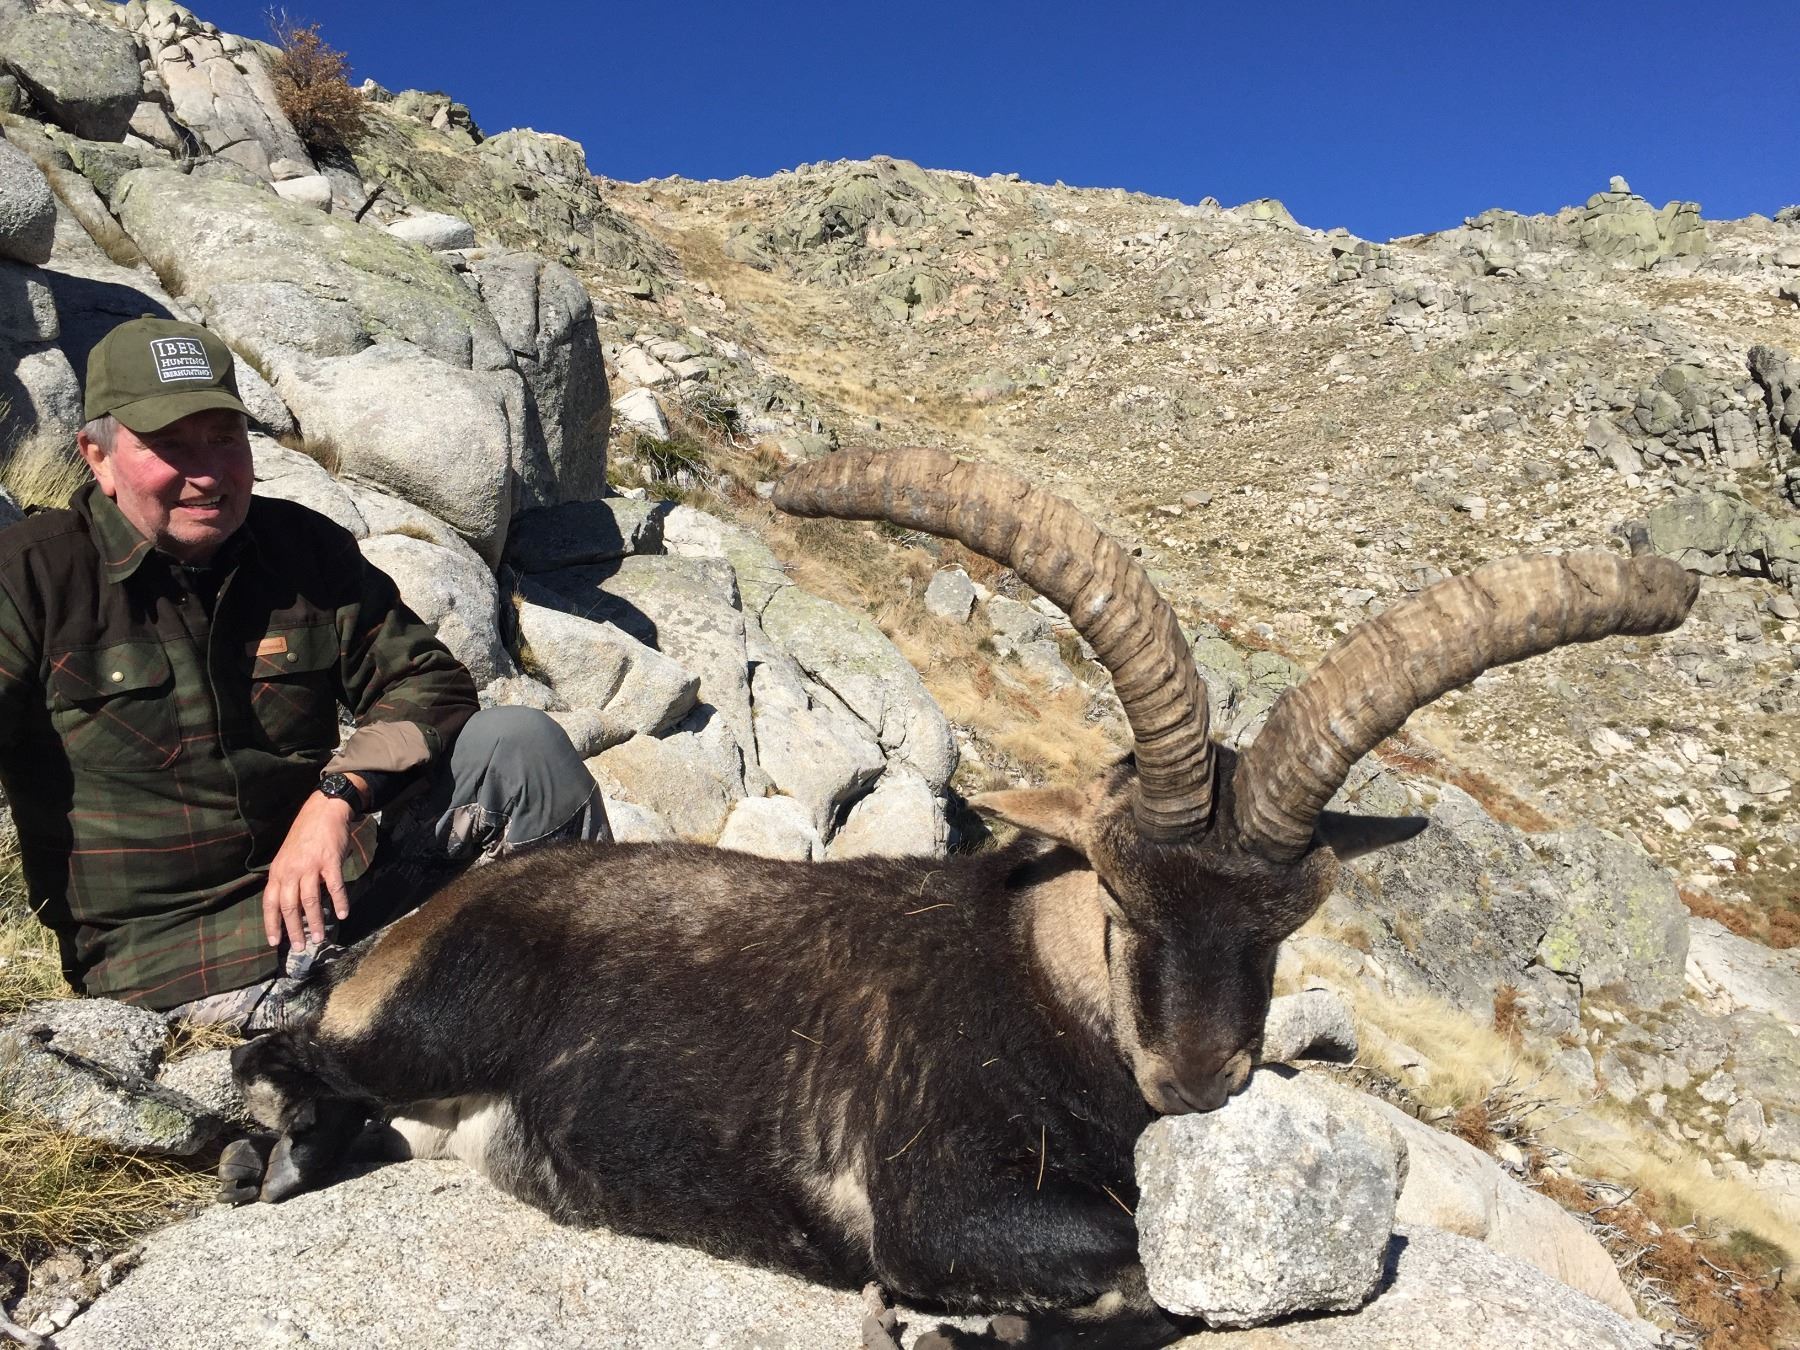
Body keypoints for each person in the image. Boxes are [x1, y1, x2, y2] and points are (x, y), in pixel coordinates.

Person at [0, 316, 608, 1031]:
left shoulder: (301, 548)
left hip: (335, 889)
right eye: (170, 445)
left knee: (520, 747)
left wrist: (338, 795)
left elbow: (428, 682)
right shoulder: (29, 578)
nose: (208, 474)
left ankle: (602, 1010)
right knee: (441, 1027)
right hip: (180, 961)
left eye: (224, 438)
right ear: (97, 458)